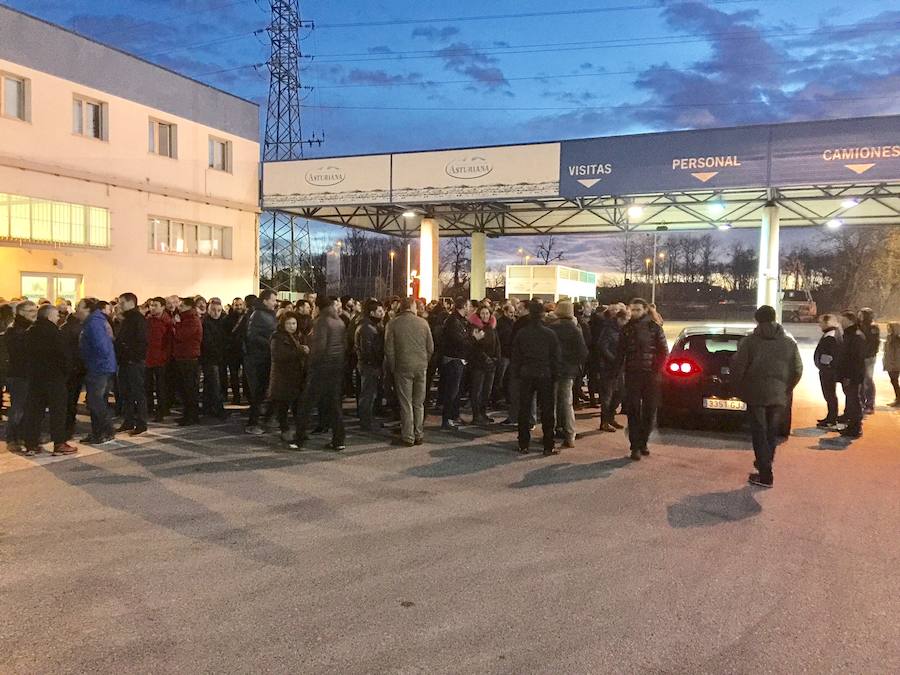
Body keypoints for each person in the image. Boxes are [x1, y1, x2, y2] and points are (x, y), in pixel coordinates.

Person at [731, 305, 803, 488]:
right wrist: (786, 388)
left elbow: (739, 367)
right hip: (778, 394)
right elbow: (797, 369)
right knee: (771, 433)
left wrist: (738, 388)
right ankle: (766, 463)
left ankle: (765, 474)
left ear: (757, 320)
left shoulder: (750, 342)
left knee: (759, 433)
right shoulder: (788, 342)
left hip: (756, 394)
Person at [21, 304, 76, 456]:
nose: (58, 317)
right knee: (58, 411)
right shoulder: (55, 333)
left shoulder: (29, 332)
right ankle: (59, 443)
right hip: (54, 377)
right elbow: (63, 355)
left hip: (35, 377)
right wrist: (66, 372)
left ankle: (31, 444)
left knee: (34, 411)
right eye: (56, 315)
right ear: (49, 316)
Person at [619, 297, 669, 461]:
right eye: (632, 310)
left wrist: (656, 369)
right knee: (633, 411)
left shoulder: (654, 328)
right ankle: (635, 446)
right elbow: (621, 353)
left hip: (651, 376)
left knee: (649, 411)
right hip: (633, 375)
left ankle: (643, 442)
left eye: (637, 310)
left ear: (645, 310)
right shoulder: (627, 329)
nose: (634, 313)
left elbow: (663, 351)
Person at [295, 296, 347, 451]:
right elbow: (344, 345)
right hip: (336, 368)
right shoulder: (339, 321)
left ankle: (299, 439)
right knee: (333, 405)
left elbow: (319, 348)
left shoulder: (321, 322)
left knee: (306, 404)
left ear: (318, 307)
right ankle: (339, 440)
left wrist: (311, 365)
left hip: (321, 369)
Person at [510, 300, 560, 456]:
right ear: (542, 314)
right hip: (545, 374)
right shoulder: (550, 334)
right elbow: (555, 358)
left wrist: (516, 374)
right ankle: (548, 445)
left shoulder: (522, 333)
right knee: (547, 411)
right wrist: (555, 375)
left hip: (526, 374)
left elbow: (516, 356)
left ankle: (523, 443)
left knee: (524, 410)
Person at [385, 296, 434, 446]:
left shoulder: (393, 324)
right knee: (418, 402)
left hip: (403, 366)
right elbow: (430, 348)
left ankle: (408, 436)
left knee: (406, 403)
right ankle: (419, 433)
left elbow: (389, 350)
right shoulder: (423, 323)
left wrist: (393, 367)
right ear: (412, 306)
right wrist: (425, 361)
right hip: (421, 366)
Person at [548, 300, 588, 447]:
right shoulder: (575, 329)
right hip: (569, 371)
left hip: (554, 369)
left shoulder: (552, 328)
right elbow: (583, 352)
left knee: (552, 402)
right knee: (567, 402)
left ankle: (550, 432)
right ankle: (570, 434)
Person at [268, 311, 309, 446]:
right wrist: (300, 351)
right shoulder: (277, 337)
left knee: (298, 406)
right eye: (289, 323)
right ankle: (284, 430)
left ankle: (300, 431)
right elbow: (279, 356)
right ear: (283, 324)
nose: (292, 326)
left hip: (295, 377)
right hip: (283, 377)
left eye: (294, 323)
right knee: (283, 406)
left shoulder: (296, 336)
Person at [80, 298, 117, 444]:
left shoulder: (94, 322)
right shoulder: (95, 320)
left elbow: (101, 346)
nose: (77, 310)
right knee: (97, 400)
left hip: (99, 367)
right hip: (100, 366)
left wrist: (92, 360)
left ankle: (107, 430)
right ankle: (98, 432)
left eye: (79, 307)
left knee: (95, 401)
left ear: (88, 309)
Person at [3, 301, 36, 452]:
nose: (34, 313)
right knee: (18, 407)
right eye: (30, 311)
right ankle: (12, 438)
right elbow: (21, 353)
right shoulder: (17, 331)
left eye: (35, 310)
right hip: (19, 374)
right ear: (21, 313)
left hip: (25, 373)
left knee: (26, 406)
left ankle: (22, 435)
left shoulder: (27, 329)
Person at [114, 292, 149, 435]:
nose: (119, 305)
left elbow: (141, 341)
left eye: (122, 302)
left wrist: (132, 356)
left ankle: (141, 423)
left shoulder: (137, 319)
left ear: (131, 302)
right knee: (126, 393)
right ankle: (128, 421)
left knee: (137, 393)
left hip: (133, 362)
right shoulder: (127, 319)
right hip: (125, 361)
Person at [244, 290, 277, 434]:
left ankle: (266, 418)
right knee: (258, 392)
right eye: (273, 300)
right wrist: (270, 343)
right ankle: (253, 423)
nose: (275, 303)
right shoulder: (258, 315)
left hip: (264, 357)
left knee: (264, 391)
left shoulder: (266, 314)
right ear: (265, 301)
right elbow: (253, 336)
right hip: (258, 359)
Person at [592, 307, 627, 433]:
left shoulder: (621, 331)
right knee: (607, 396)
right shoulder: (608, 329)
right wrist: (613, 360)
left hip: (619, 368)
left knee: (619, 394)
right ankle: (604, 422)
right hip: (608, 368)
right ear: (619, 319)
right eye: (625, 320)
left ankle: (611, 417)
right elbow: (602, 347)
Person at [440, 297, 473, 430]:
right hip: (453, 360)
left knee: (457, 391)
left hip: (459, 359)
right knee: (451, 391)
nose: (470, 309)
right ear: (464, 306)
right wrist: (473, 338)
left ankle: (454, 415)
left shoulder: (461, 321)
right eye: (468, 306)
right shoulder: (453, 321)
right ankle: (447, 419)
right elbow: (458, 341)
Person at [468, 304, 501, 426]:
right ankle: (476, 415)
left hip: (491, 364)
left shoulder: (492, 328)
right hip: (479, 364)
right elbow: (475, 347)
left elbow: (497, 345)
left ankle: (483, 413)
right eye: (482, 313)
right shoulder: (475, 328)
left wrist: (496, 358)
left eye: (487, 313)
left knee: (487, 390)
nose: (485, 316)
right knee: (477, 390)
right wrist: (485, 358)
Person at [172, 297, 202, 426]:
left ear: (188, 307)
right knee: (184, 389)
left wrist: (177, 324)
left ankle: (192, 416)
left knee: (190, 389)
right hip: (182, 356)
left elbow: (181, 336)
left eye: (182, 306)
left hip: (189, 358)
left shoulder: (192, 320)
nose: (179, 308)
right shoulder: (186, 318)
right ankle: (187, 414)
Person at [355, 299, 385, 431]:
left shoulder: (371, 326)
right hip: (369, 365)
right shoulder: (367, 328)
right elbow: (368, 350)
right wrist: (376, 362)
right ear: (372, 312)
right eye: (379, 311)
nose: (382, 313)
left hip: (369, 364)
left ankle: (366, 419)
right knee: (368, 394)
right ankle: (365, 422)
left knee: (369, 393)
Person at [837, 310, 867, 438]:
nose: (840, 323)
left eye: (843, 320)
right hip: (850, 374)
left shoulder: (855, 336)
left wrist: (849, 376)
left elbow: (855, 359)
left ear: (850, 321)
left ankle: (855, 427)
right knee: (851, 400)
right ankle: (852, 425)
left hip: (852, 375)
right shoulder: (851, 334)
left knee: (854, 400)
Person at [60, 300, 87, 439]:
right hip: (76, 367)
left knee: (69, 399)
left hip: (70, 367)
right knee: (71, 399)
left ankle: (67, 426)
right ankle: (68, 426)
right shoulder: (79, 328)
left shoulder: (65, 327)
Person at [145, 297, 173, 422]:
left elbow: (169, 342)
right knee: (148, 385)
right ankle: (149, 408)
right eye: (151, 305)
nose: (152, 308)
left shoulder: (167, 322)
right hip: (148, 357)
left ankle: (162, 410)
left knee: (161, 386)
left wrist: (166, 356)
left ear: (162, 307)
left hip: (161, 358)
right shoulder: (148, 320)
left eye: (155, 305)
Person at [201, 298, 228, 420]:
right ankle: (218, 409)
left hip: (219, 358)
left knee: (210, 384)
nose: (216, 313)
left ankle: (207, 407)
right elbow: (207, 342)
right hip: (210, 358)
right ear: (208, 310)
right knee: (215, 384)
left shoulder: (222, 322)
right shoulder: (205, 323)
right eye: (213, 310)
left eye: (218, 310)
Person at [814, 314, 843, 429]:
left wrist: (824, 366)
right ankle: (831, 417)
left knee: (829, 394)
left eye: (821, 323)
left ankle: (831, 419)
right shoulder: (834, 333)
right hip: (829, 370)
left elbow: (829, 354)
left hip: (828, 371)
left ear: (827, 323)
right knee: (830, 394)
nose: (819, 325)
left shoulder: (830, 336)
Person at [223, 297, 246, 405]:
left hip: (244, 350)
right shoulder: (227, 319)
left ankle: (246, 395)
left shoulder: (247, 318)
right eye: (236, 305)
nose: (239, 307)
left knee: (246, 374)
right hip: (232, 351)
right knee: (233, 375)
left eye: (240, 304)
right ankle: (236, 396)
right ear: (233, 306)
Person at [858, 308, 880, 414]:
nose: (859, 316)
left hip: (869, 357)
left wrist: (868, 354)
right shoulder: (860, 326)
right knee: (860, 380)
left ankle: (870, 404)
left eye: (861, 315)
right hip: (860, 356)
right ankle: (861, 403)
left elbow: (873, 343)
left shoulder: (873, 327)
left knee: (868, 380)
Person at [883, 322, 900, 407]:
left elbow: (896, 354)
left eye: (890, 328)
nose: (888, 329)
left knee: (894, 381)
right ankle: (898, 398)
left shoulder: (896, 339)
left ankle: (898, 399)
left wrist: (893, 364)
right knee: (894, 381)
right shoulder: (889, 337)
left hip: (894, 364)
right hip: (890, 363)